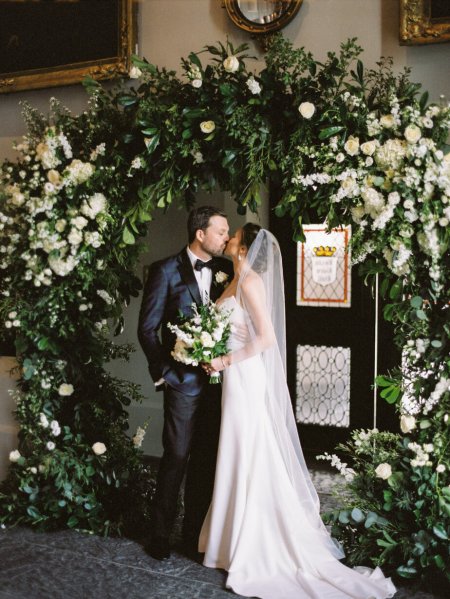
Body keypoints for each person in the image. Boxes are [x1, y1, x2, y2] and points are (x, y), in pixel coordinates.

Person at [199, 223, 396, 599]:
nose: (228, 239)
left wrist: (224, 359)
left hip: (245, 377)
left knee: (251, 450)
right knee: (238, 450)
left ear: (244, 247)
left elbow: (267, 338)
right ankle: (228, 539)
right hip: (232, 378)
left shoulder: (252, 281)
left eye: (233, 235)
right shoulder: (234, 279)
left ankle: (256, 541)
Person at [137, 205, 233, 561]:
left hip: (219, 384)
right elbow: (147, 328)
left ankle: (194, 536)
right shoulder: (165, 270)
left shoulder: (227, 270)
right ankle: (159, 534)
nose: (226, 237)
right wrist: (162, 372)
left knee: (206, 461)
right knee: (176, 457)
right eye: (221, 231)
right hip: (181, 382)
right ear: (200, 234)